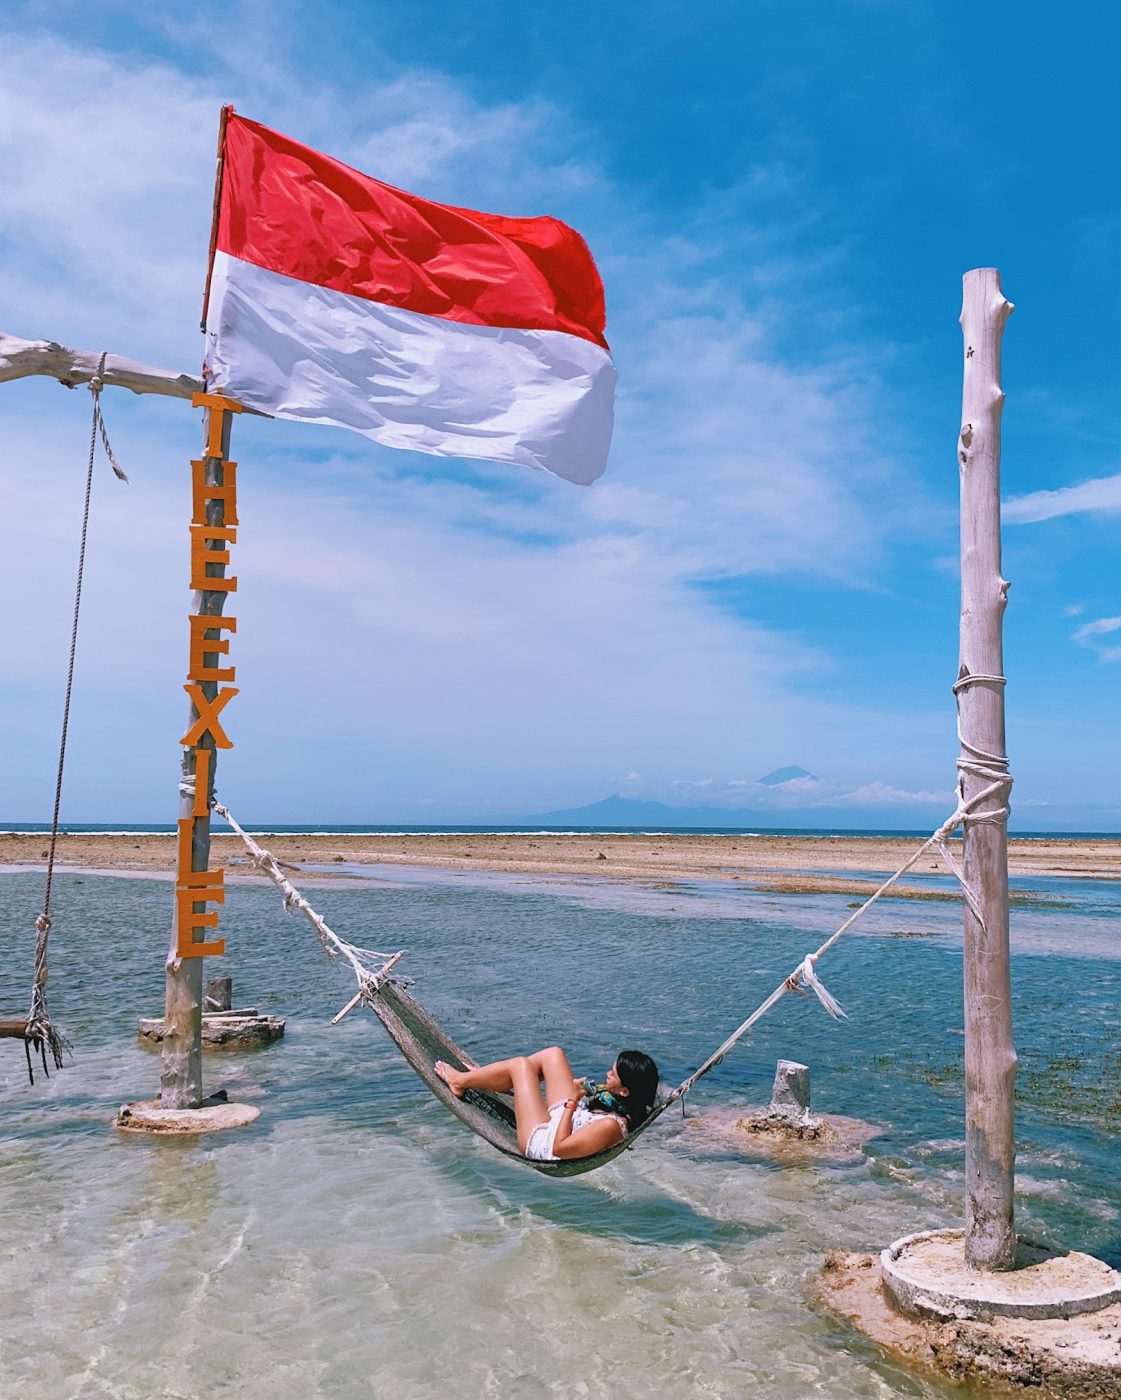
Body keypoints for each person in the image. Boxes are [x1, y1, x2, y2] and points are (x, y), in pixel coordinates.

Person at [435, 1045, 660, 1162]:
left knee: (520, 1066)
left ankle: (459, 1081)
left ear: (625, 1091)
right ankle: (495, 1079)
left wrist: (573, 1099)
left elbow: (559, 1149)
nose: (606, 1074)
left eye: (612, 1074)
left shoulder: (611, 1126)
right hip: (564, 1119)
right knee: (554, 1055)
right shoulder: (623, 1102)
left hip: (543, 1141)